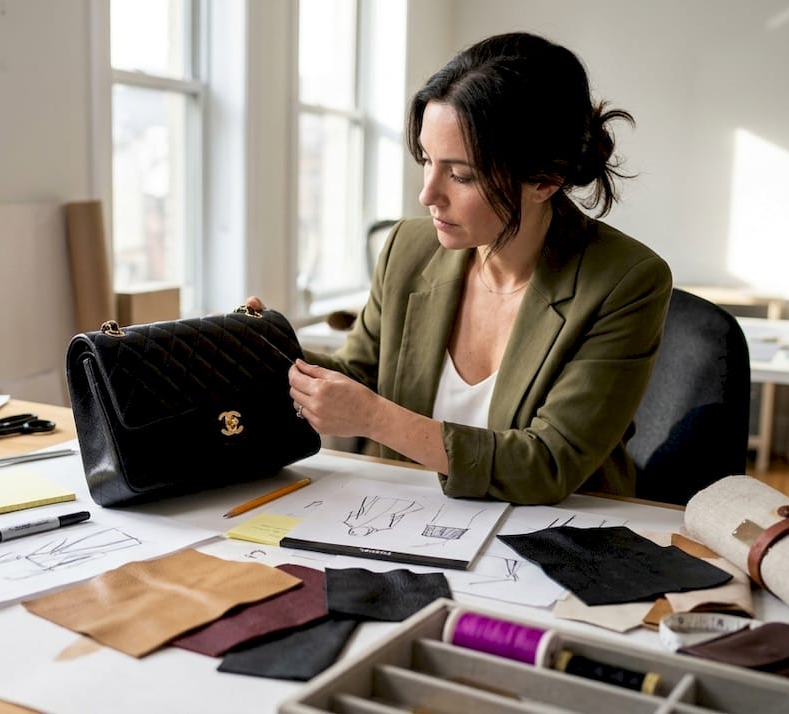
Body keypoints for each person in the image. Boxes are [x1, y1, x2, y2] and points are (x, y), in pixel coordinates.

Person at [250, 31, 672, 504]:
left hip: (558, 539)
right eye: (428, 160)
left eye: (461, 174)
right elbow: (360, 375)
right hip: (407, 521)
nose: (427, 194)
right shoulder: (407, 248)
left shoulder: (626, 280)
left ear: (545, 180)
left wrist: (374, 419)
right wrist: (267, 349)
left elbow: (548, 463)